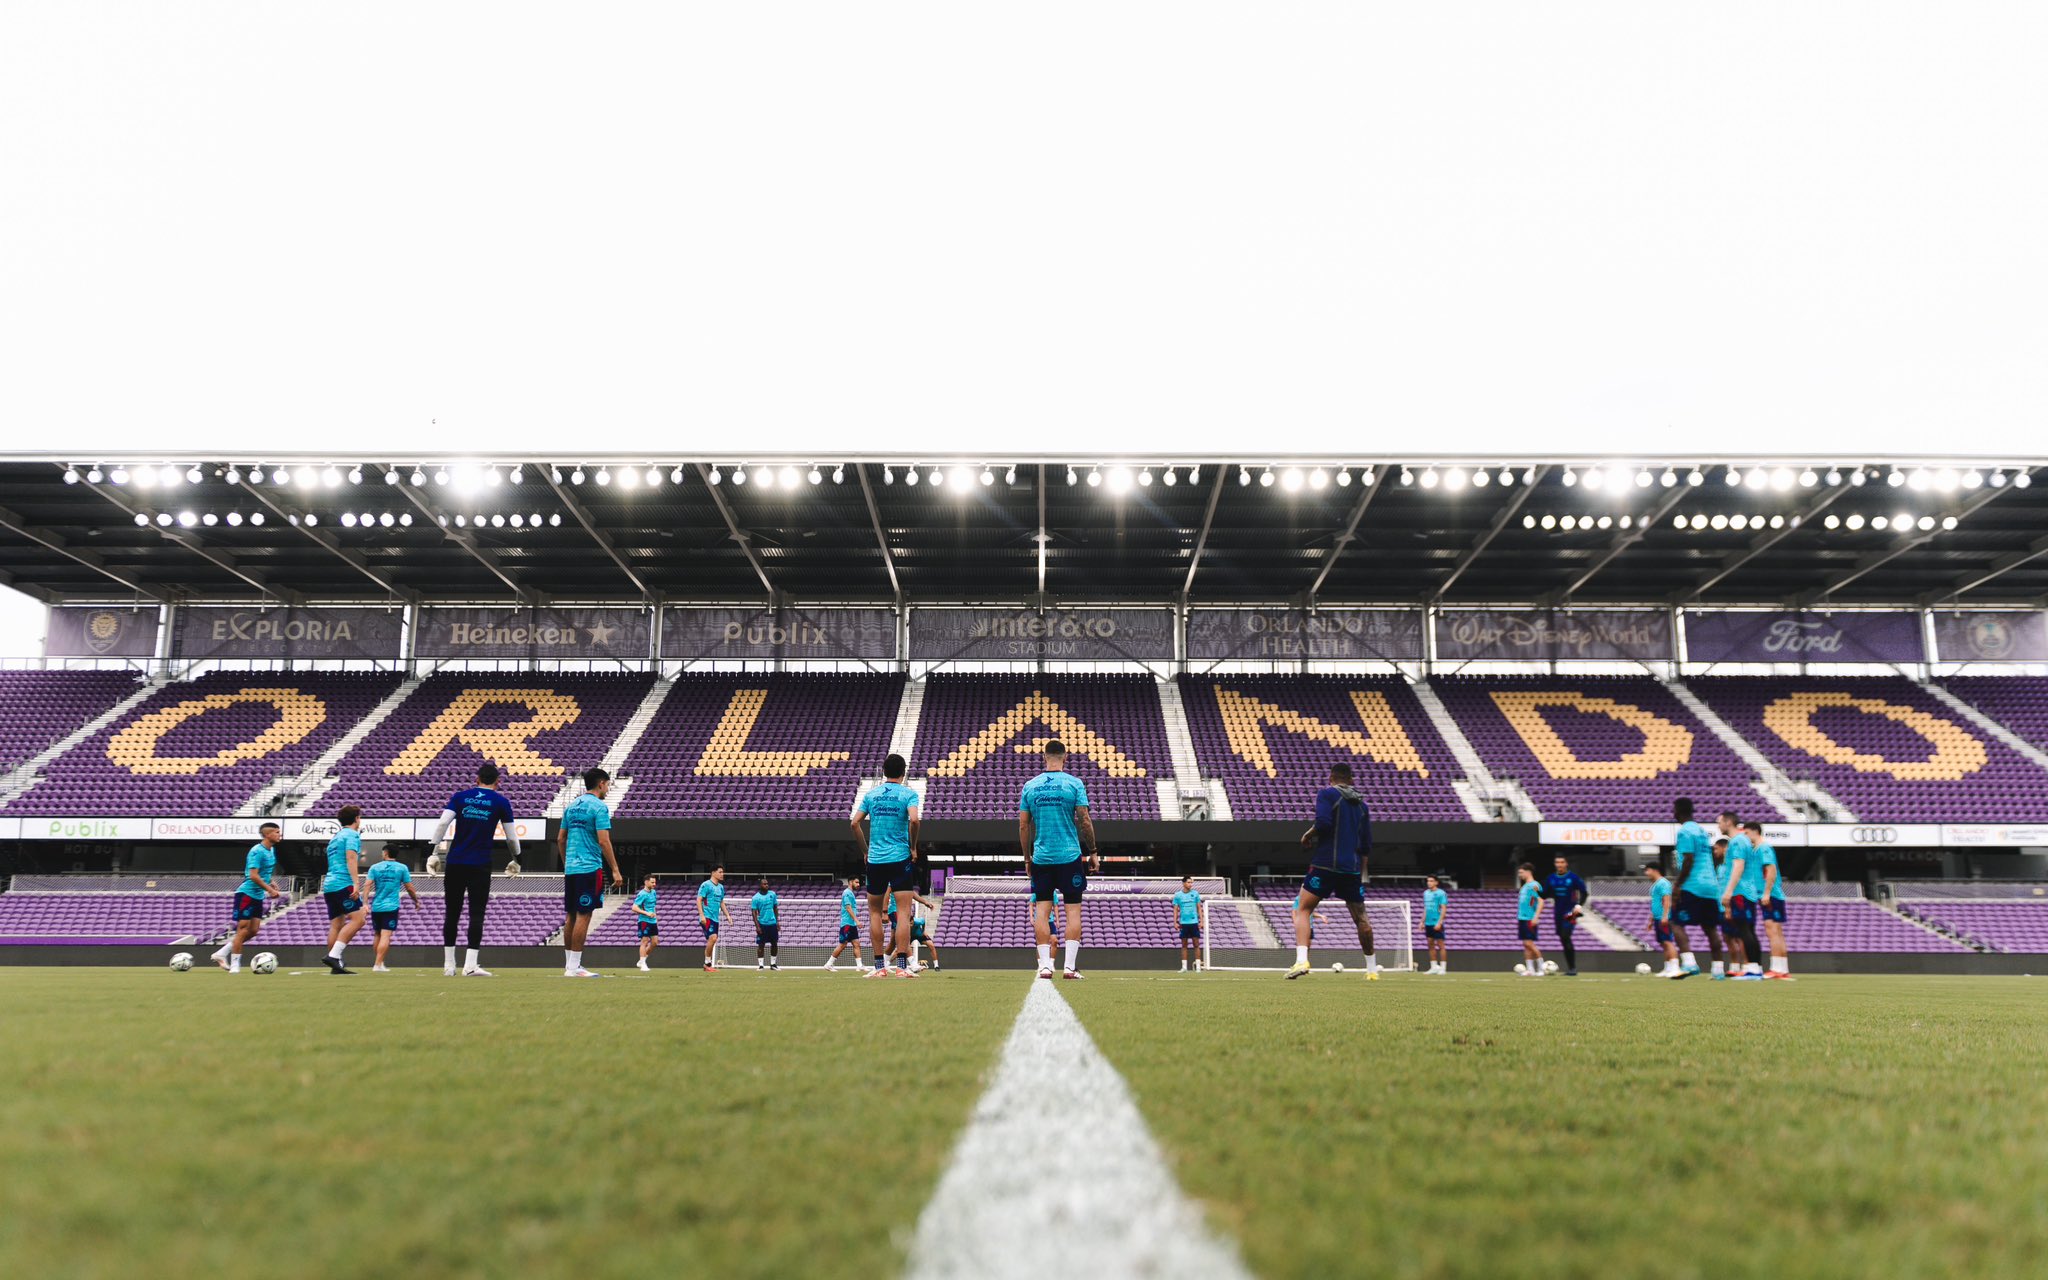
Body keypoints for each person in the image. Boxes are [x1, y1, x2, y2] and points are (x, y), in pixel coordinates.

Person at [1286, 762, 1376, 980]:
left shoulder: (1327, 794)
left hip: (1325, 864)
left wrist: (1307, 835)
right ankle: (1372, 970)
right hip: (1351, 870)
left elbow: (1323, 823)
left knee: (1303, 909)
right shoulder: (1362, 806)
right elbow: (1366, 846)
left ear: (1330, 778)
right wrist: (1362, 874)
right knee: (1361, 918)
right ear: (1351, 780)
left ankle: (1301, 961)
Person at [1019, 740, 1099, 979]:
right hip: (1070, 856)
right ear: (1066, 757)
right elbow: (1084, 820)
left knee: (1042, 911)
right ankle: (1069, 968)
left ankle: (1045, 966)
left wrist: (1027, 859)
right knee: (1073, 912)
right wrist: (1093, 851)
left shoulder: (1030, 786)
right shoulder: (1074, 784)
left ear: (1044, 757)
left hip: (1042, 858)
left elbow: (1024, 825)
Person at [432, 762, 520, 978]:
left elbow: (443, 824)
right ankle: (470, 965)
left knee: (452, 912)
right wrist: (516, 858)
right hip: (480, 863)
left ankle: (448, 966)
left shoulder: (460, 797)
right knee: (476, 913)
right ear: (498, 782)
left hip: (455, 861)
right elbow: (511, 836)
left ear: (476, 779)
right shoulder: (501, 801)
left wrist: (433, 851)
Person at [854, 754, 922, 978]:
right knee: (903, 913)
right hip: (900, 858)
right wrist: (913, 847)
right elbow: (914, 820)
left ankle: (878, 967)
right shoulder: (908, 794)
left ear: (884, 771)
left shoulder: (871, 795)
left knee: (874, 912)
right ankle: (901, 967)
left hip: (875, 860)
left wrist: (865, 851)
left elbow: (854, 823)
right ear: (904, 772)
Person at [555, 767, 622, 978]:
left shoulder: (571, 806)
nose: (608, 789)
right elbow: (603, 840)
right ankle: (574, 968)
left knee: (571, 916)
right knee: (584, 915)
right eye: (608, 784)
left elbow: (560, 839)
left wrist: (567, 863)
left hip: (572, 869)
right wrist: (615, 869)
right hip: (589, 868)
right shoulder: (599, 807)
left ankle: (569, 965)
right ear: (601, 783)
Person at [211, 822, 285, 973]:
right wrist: (270, 890)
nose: (280, 835)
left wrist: (271, 881)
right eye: (277, 832)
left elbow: (265, 871)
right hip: (247, 894)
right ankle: (235, 965)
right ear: (267, 834)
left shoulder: (271, 850)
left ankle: (222, 953)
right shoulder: (257, 851)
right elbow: (253, 875)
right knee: (243, 930)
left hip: (257, 895)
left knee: (253, 931)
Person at [1668, 797, 1726, 979]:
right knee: (1710, 928)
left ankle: (1689, 963)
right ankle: (1718, 971)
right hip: (1711, 885)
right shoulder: (1701, 831)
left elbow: (1688, 860)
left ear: (1677, 811)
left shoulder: (1685, 831)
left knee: (1675, 922)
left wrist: (1678, 884)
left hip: (1693, 885)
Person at [319, 805, 368, 975]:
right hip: (342, 882)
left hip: (329, 884)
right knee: (359, 919)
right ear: (356, 819)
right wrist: (356, 883)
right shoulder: (352, 834)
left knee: (336, 924)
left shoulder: (335, 837)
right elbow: (351, 858)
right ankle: (334, 956)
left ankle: (335, 965)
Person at [1718, 813, 1766, 979]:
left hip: (1740, 892)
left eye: (1720, 822)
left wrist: (1728, 891)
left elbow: (1738, 866)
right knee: (1749, 930)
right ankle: (1755, 968)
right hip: (1747, 891)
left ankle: (1753, 969)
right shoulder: (1744, 840)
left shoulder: (1738, 841)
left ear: (1728, 822)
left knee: (1744, 930)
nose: (1718, 826)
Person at [1747, 821, 1793, 979]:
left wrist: (1766, 892)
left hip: (1770, 894)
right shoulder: (1758, 849)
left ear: (1754, 831)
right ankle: (1782, 968)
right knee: (1776, 931)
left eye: (1746, 833)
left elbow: (1771, 869)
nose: (1746, 837)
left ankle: (1776, 968)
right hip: (1771, 894)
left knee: (1772, 930)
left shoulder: (1763, 848)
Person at [364, 852, 422, 972]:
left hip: (376, 906)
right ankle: (378, 964)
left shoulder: (374, 867)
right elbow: (409, 887)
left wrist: (365, 903)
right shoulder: (402, 868)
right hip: (391, 906)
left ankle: (380, 963)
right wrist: (415, 900)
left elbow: (367, 885)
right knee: (386, 935)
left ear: (385, 853)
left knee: (377, 934)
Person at [1546, 854, 1590, 977]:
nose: (1559, 864)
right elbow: (1545, 893)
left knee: (1566, 935)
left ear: (1566, 864)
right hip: (1557, 913)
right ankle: (1571, 968)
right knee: (1563, 939)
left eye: (1561, 862)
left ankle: (1573, 968)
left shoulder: (1573, 878)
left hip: (1570, 912)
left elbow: (1584, 893)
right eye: (1557, 862)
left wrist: (1579, 905)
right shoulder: (1551, 878)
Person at [826, 875, 868, 973]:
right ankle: (828, 964)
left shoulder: (851, 893)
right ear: (850, 882)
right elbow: (848, 908)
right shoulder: (847, 893)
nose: (858, 884)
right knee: (842, 945)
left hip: (851, 924)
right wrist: (857, 921)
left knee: (856, 944)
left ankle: (859, 965)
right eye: (856, 882)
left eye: (858, 883)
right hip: (847, 924)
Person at [1644, 864, 1679, 978]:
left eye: (1647, 870)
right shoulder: (1655, 885)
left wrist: (1665, 916)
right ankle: (1668, 968)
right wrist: (1651, 920)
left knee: (1668, 942)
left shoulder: (1663, 883)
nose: (1646, 873)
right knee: (1663, 943)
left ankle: (1675, 967)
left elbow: (1667, 900)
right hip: (1658, 918)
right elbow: (1656, 904)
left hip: (1664, 918)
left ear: (1655, 870)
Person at [1515, 862, 1546, 976]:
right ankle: (1530, 970)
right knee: (1526, 944)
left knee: (1529, 944)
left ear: (1528, 872)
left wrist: (1536, 916)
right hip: (1522, 918)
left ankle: (1542, 968)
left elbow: (1541, 901)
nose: (1520, 875)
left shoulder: (1535, 885)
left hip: (1529, 918)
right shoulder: (1524, 886)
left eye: (1521, 872)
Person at [697, 867, 728, 971]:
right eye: (720, 872)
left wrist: (727, 915)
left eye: (722, 872)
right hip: (707, 916)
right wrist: (701, 915)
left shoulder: (721, 887)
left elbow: (721, 902)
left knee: (713, 939)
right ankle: (707, 964)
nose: (722, 874)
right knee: (713, 938)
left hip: (715, 918)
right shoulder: (706, 885)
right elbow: (699, 899)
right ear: (713, 873)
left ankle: (707, 964)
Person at [1171, 875, 1203, 972]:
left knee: (1196, 944)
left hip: (1194, 922)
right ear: (1184, 883)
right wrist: (1175, 922)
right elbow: (1175, 910)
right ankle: (1184, 967)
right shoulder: (1177, 895)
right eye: (1188, 882)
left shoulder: (1195, 894)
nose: (1190, 884)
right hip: (1183, 923)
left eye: (1191, 882)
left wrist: (1201, 921)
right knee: (1184, 945)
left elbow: (1199, 908)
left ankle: (1198, 967)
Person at [905, 892, 941, 971]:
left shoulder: (918, 921)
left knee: (931, 945)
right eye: (909, 923)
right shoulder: (904, 924)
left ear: (913, 921)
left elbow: (923, 921)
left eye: (911, 923)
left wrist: (923, 931)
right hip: (909, 936)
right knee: (900, 949)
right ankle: (887, 963)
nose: (910, 924)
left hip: (919, 933)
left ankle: (936, 966)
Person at [751, 878, 781, 971]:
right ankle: (761, 966)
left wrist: (777, 921)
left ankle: (773, 964)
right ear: (760, 885)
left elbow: (775, 908)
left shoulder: (772, 894)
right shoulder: (755, 898)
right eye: (764, 884)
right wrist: (757, 926)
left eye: (767, 884)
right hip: (762, 924)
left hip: (772, 923)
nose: (766, 885)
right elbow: (754, 913)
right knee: (761, 945)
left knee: (774, 944)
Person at [1421, 874, 1449, 974]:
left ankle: (1443, 968)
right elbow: (1426, 908)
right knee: (1430, 945)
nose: (1429, 883)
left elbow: (1443, 909)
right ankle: (1433, 967)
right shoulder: (1425, 893)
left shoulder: (1441, 893)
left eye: (1431, 881)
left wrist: (1440, 922)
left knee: (1441, 945)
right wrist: (1422, 921)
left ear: (1436, 882)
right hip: (1428, 923)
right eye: (1428, 881)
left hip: (1436, 922)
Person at [633, 875, 660, 972]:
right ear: (646, 882)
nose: (654, 884)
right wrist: (647, 913)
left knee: (655, 942)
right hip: (644, 920)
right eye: (652, 882)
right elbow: (634, 908)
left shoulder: (654, 892)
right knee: (644, 941)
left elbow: (653, 906)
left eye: (655, 882)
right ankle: (643, 963)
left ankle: (642, 960)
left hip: (653, 921)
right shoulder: (642, 894)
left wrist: (656, 918)